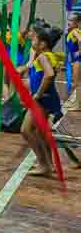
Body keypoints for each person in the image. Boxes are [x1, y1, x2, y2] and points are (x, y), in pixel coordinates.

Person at [20, 23, 63, 176]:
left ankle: (44, 164)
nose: (32, 42)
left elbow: (49, 75)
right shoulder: (49, 55)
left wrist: (37, 94)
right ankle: (48, 164)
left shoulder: (44, 57)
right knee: (40, 132)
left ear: (43, 44)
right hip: (48, 98)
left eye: (35, 40)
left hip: (42, 100)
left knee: (26, 130)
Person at [66, 12, 81, 111]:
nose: (69, 22)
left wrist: (79, 51)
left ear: (77, 22)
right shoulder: (74, 31)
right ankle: (77, 103)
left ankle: (78, 105)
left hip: (78, 60)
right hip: (76, 60)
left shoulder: (75, 31)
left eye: (71, 20)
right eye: (68, 20)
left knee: (77, 83)